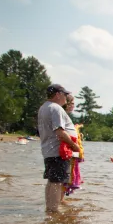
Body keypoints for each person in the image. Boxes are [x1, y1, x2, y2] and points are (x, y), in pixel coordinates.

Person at [38, 84, 80, 213]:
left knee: (52, 181)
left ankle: (49, 209)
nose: (66, 98)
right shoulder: (56, 108)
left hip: (49, 151)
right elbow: (60, 132)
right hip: (58, 152)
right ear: (58, 94)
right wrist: (74, 145)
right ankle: (54, 212)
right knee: (57, 182)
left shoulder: (44, 107)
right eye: (65, 94)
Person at [62, 94, 84, 196]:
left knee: (68, 176)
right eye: (71, 104)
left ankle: (60, 201)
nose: (72, 106)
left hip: (70, 151)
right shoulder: (62, 115)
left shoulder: (65, 116)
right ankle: (59, 201)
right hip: (65, 150)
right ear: (65, 104)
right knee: (64, 178)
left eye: (73, 104)